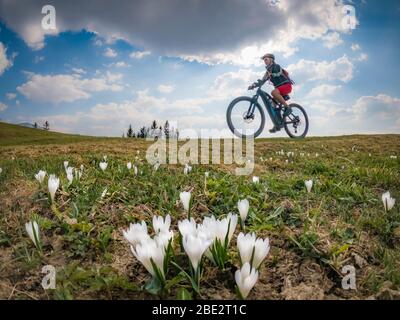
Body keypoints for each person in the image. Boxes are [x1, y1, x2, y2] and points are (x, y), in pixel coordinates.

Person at [248, 53, 292, 133]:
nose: (264, 61)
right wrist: (253, 85)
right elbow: (262, 80)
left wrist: (271, 75)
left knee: (273, 92)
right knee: (273, 106)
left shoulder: (276, 66)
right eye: (264, 60)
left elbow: (278, 73)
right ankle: (277, 124)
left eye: (266, 59)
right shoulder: (268, 71)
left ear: (271, 59)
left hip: (286, 86)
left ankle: (287, 107)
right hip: (279, 89)